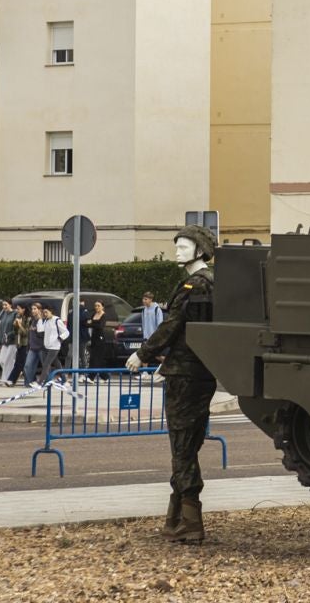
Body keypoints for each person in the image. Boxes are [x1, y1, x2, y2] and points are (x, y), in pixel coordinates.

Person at [130, 226, 220, 544]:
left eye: (184, 246)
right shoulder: (209, 282)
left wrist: (143, 353)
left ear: (199, 250)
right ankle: (177, 518)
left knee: (182, 447)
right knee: (187, 447)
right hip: (199, 372)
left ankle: (191, 521)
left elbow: (173, 325)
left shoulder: (195, 284)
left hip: (186, 374)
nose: (177, 251)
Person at [0, 303, 19, 386]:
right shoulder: (4, 314)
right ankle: (14, 374)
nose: (4, 307)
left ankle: (7, 380)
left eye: (6, 305)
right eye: (3, 305)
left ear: (10, 305)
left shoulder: (15, 314)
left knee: (8, 361)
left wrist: (10, 334)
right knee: (1, 360)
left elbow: (16, 328)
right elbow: (0, 329)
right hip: (4, 341)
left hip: (12, 341)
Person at [21, 305, 45, 387]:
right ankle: (29, 383)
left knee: (46, 366)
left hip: (42, 348)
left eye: (35, 309)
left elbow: (43, 334)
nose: (33, 310)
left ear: (39, 310)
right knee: (27, 366)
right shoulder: (32, 320)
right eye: (32, 309)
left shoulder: (42, 320)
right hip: (32, 347)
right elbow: (29, 334)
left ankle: (48, 383)